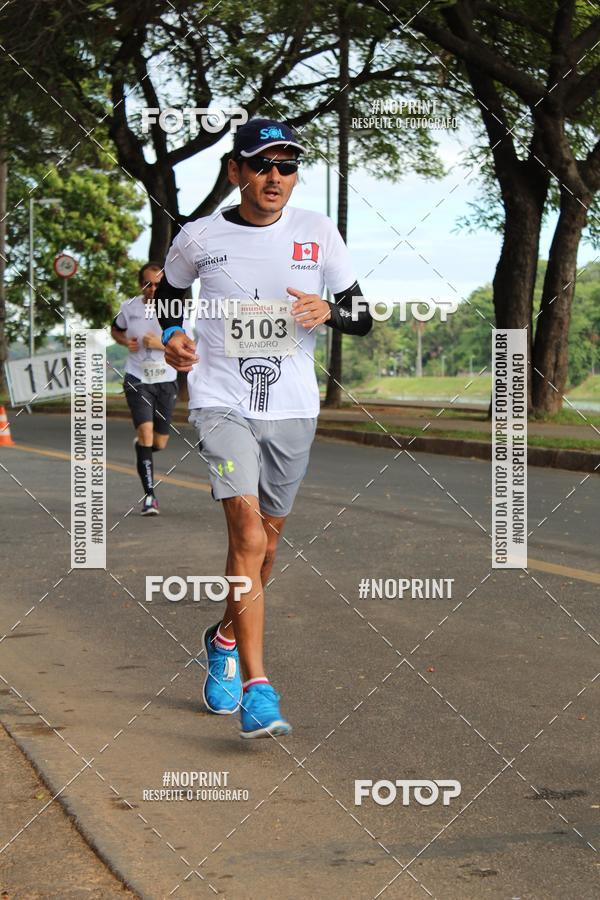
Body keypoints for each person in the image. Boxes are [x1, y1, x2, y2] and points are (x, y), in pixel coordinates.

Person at [156, 118, 372, 738]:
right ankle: (258, 685)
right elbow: (169, 296)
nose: (275, 177)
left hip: (294, 410)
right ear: (236, 172)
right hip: (221, 403)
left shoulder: (317, 232)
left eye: (286, 166)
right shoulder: (198, 237)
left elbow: (361, 315)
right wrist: (173, 337)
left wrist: (330, 310)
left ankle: (223, 638)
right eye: (261, 164)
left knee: (267, 548)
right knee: (247, 534)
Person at [111, 263, 180, 516]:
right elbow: (116, 329)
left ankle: (143, 446)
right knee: (147, 433)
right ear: (140, 284)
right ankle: (150, 496)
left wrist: (160, 345)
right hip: (137, 378)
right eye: (147, 284)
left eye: (157, 285)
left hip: (165, 380)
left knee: (159, 442)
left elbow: (189, 345)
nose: (152, 289)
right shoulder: (129, 307)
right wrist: (124, 341)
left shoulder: (174, 308)